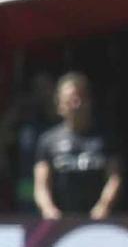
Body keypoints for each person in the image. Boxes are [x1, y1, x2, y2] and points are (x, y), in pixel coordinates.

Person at [33, 71, 121, 219]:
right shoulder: (48, 141)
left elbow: (114, 177)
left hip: (98, 219)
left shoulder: (106, 138)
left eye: (79, 99)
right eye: (69, 101)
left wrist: (103, 206)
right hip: (59, 220)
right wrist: (49, 210)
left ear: (89, 101)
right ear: (60, 105)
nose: (76, 105)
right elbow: (41, 184)